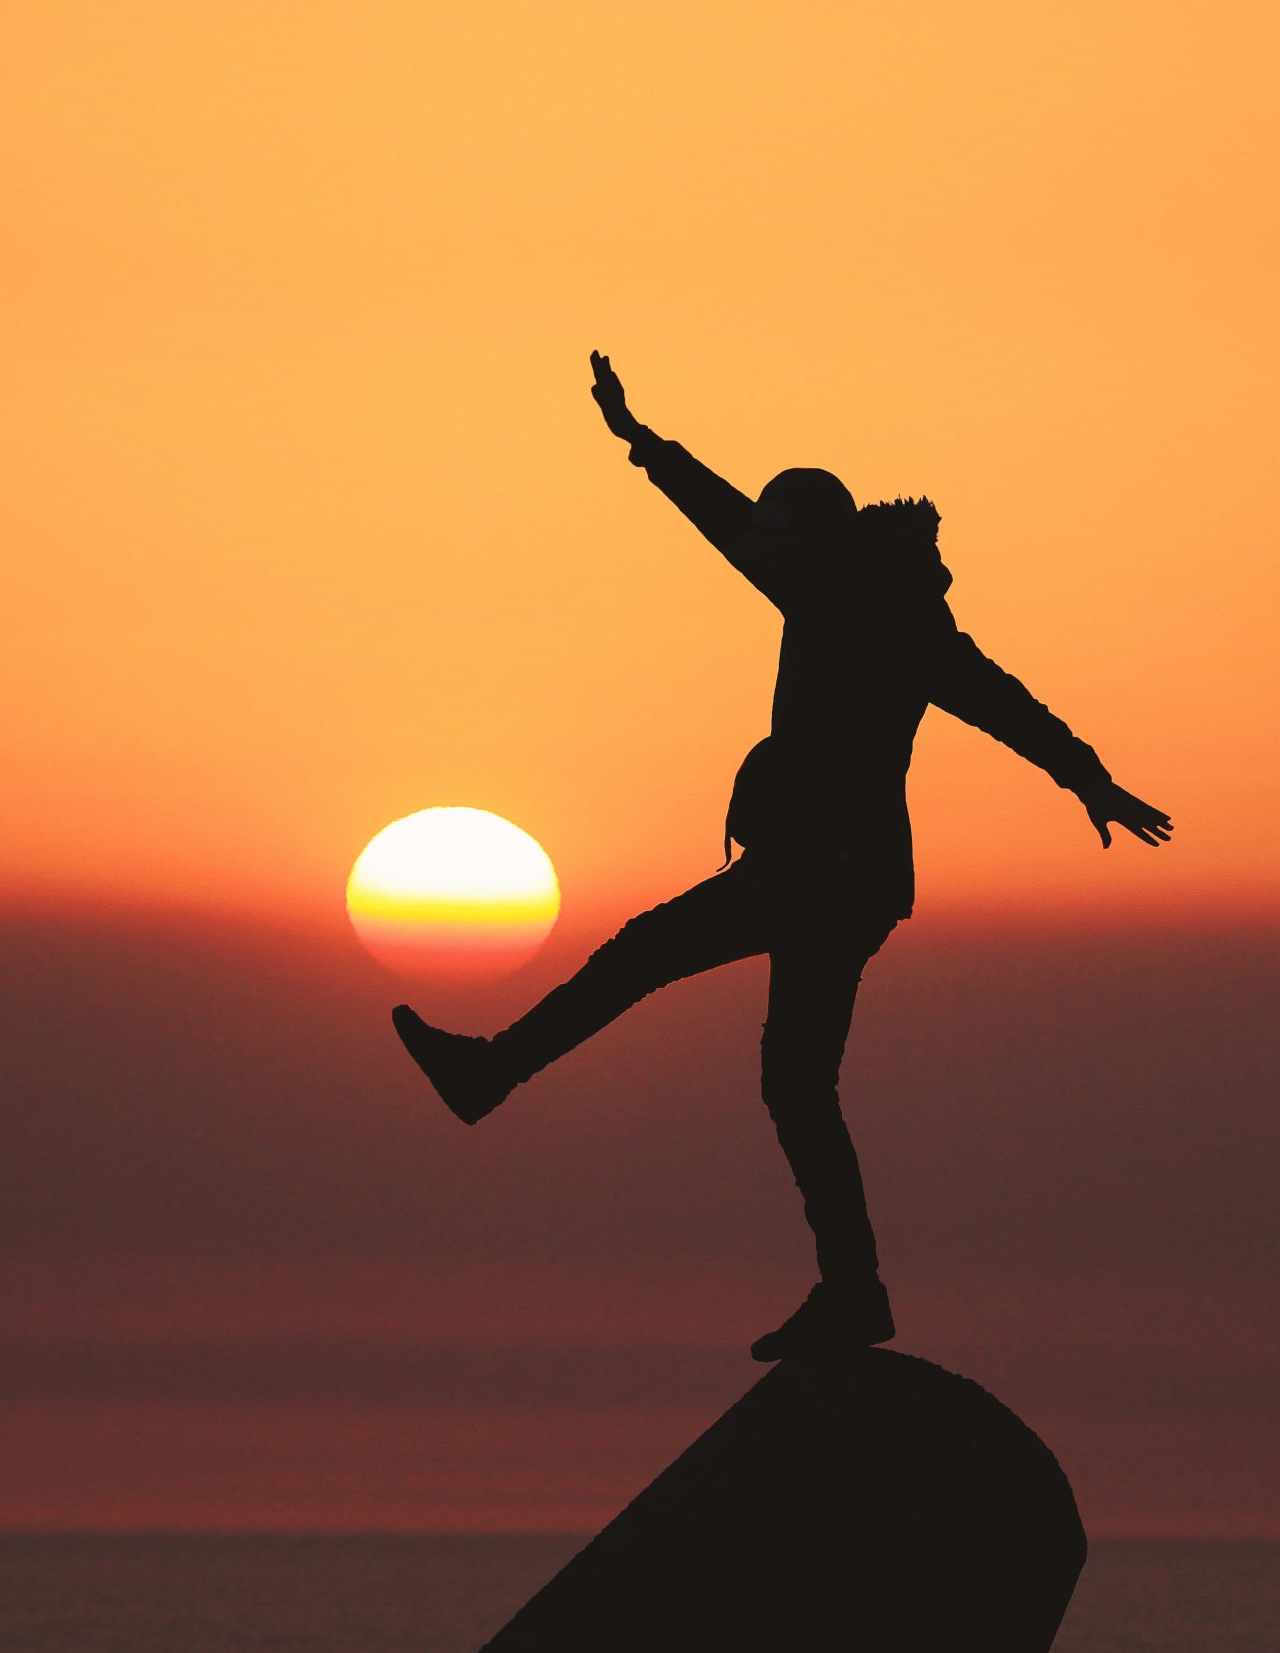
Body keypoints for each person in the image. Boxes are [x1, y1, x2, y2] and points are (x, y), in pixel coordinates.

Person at [394, 351, 1172, 1361]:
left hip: (821, 874)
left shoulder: (870, 607)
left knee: (653, 963)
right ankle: (852, 1290)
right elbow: (734, 526)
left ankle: (492, 1076)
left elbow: (1001, 702)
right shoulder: (861, 592)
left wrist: (1088, 778)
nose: (770, 564)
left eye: (780, 548)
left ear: (809, 544)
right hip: (839, 879)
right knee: (792, 1081)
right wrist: (643, 444)